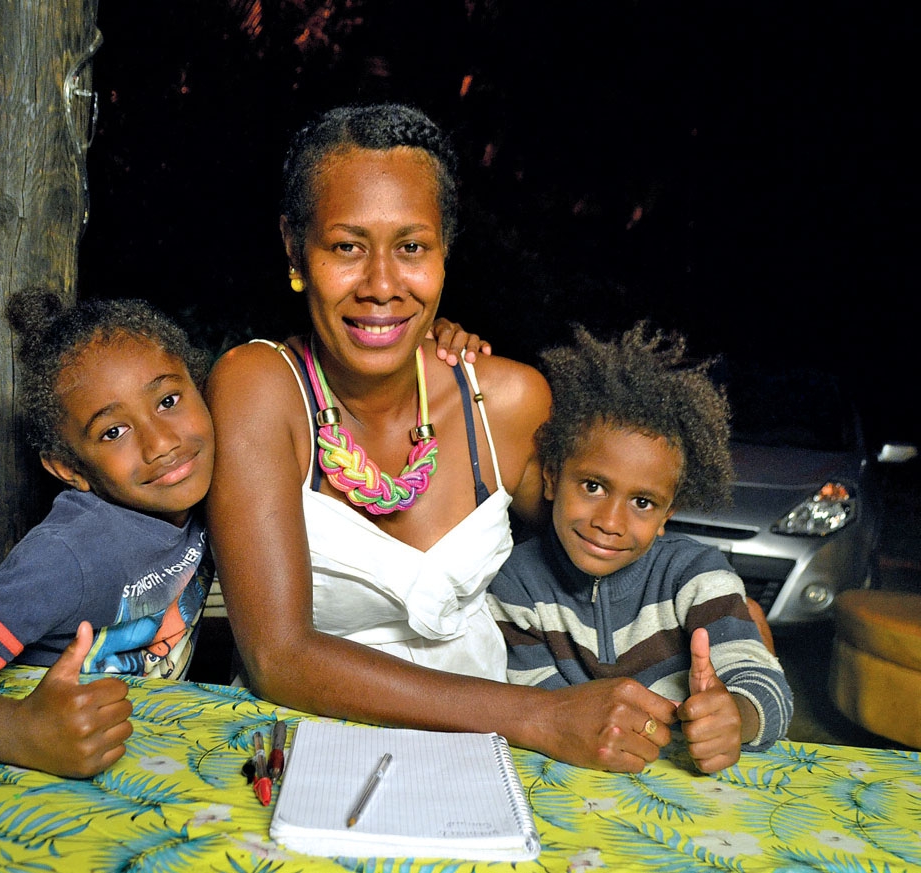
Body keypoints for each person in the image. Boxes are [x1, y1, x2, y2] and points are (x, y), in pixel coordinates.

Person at [205, 102, 684, 773]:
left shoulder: (506, 400)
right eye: (347, 246)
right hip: (303, 755)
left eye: (411, 247)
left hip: (489, 761)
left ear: (444, 249)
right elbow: (278, 656)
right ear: (294, 248)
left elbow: (605, 549)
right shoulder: (260, 388)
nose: (380, 284)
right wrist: (539, 715)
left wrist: (722, 620)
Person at [0, 288, 216, 778]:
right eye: (113, 432)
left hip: (151, 754)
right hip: (40, 772)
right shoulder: (71, 555)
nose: (162, 443)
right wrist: (18, 730)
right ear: (70, 469)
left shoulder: (216, 490)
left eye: (169, 401)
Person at [487, 322, 793, 773]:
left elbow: (768, 688)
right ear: (551, 477)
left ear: (667, 514)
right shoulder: (515, 582)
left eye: (643, 502)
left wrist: (736, 717)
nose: (610, 523)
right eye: (593, 486)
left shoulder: (697, 573)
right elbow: (543, 712)